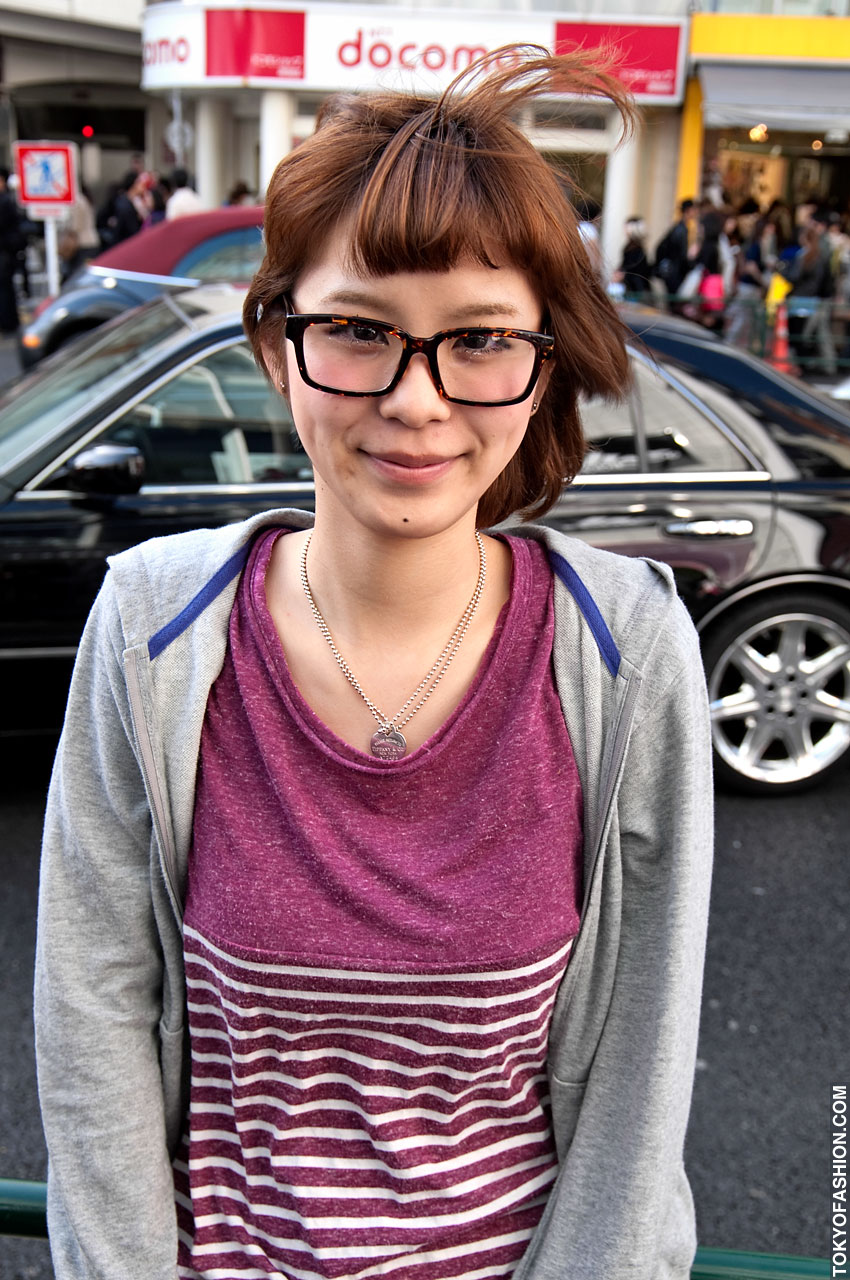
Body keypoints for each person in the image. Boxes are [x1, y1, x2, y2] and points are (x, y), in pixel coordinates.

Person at [35, 46, 713, 1280]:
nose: (415, 399)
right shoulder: (151, 628)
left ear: (540, 364)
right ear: (276, 343)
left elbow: (639, 1077)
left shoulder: (624, 653)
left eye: (478, 340)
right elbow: (91, 1039)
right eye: (358, 330)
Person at [652, 197, 696, 300]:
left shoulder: (679, 228)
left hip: (671, 271)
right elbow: (681, 255)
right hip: (674, 273)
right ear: (688, 211)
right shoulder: (681, 230)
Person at [0, 166, 25, 332]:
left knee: (5, 289)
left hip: (4, 253)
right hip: (6, 252)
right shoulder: (6, 201)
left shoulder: (5, 201)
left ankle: (8, 322)